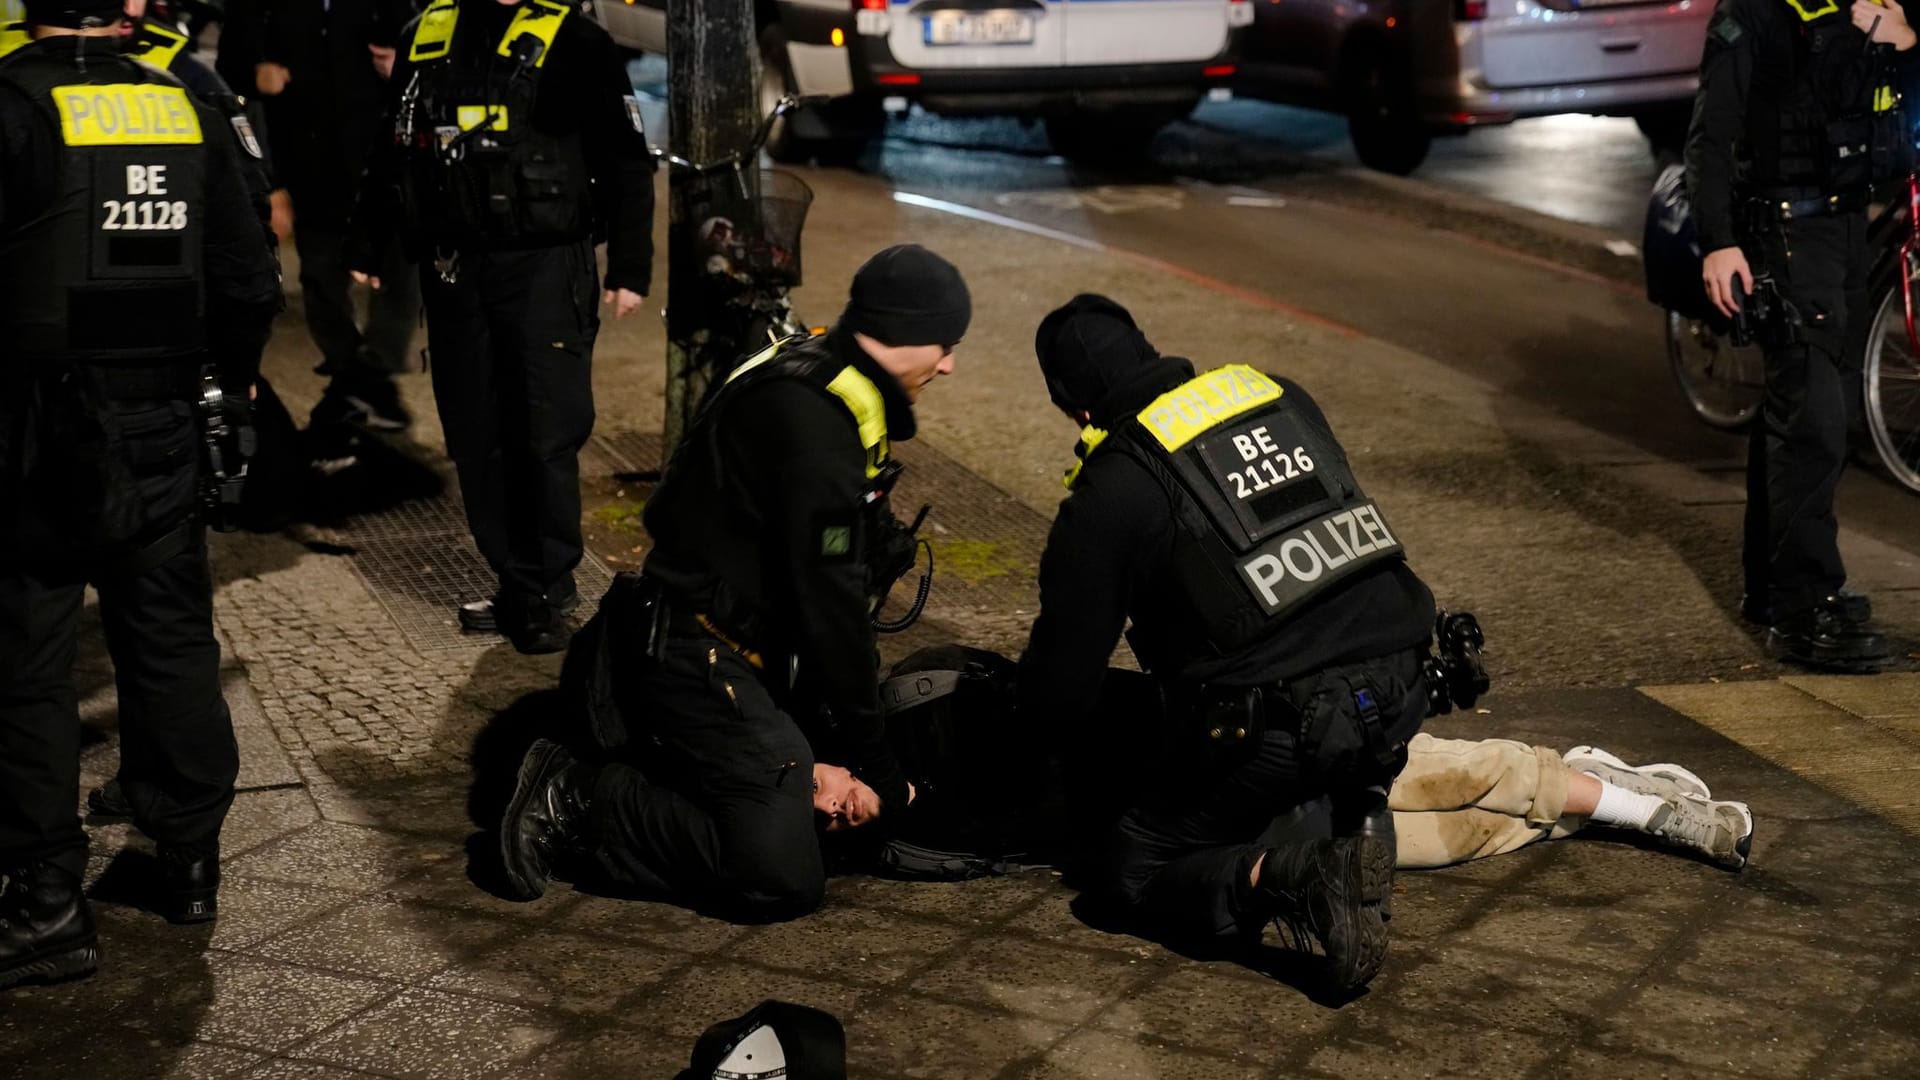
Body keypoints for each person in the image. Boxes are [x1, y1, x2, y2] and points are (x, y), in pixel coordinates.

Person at [496, 245, 969, 921]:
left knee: (807, 811)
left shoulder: (818, 368)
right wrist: (880, 769)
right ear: (900, 332)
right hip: (696, 650)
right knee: (781, 874)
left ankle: (715, 778)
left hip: (735, 642)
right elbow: (831, 611)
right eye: (944, 345)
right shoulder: (815, 425)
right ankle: (576, 796)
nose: (949, 364)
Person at [1014, 294, 1436, 994]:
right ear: (1151, 351)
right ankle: (1354, 804)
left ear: (1077, 411)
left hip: (1284, 726)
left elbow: (1061, 690)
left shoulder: (1115, 484)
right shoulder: (1277, 396)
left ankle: (1297, 877)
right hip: (1408, 679)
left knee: (1130, 870)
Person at [0, 0, 281, 990]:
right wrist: (231, 378)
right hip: (159, 419)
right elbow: (248, 275)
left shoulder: (12, 104)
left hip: (34, 430)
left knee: (27, 658)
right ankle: (188, 860)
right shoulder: (183, 104)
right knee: (167, 636)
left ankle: (45, 902)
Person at [351, 0, 654, 654]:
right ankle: (516, 578)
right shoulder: (426, 34)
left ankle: (546, 587)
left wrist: (630, 265)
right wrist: (368, 240)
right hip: (454, 266)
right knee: (475, 431)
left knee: (543, 430)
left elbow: (627, 158)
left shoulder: (576, 40)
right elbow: (394, 143)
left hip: (543, 265)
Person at [1687, 0, 1916, 667]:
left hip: (1844, 228)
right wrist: (1718, 241)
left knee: (1808, 413)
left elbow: (1887, 95)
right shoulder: (1753, 13)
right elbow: (1712, 131)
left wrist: (1900, 38)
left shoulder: (1864, 8)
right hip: (1787, 233)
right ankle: (1802, 606)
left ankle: (1773, 588)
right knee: (1812, 419)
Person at [219, 0, 419, 430]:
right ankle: (355, 376)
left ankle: (368, 374)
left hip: (381, 161)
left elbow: (422, 46)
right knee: (323, 280)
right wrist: (254, 75)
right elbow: (228, 68)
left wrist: (404, 65)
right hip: (308, 164)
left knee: (402, 269)